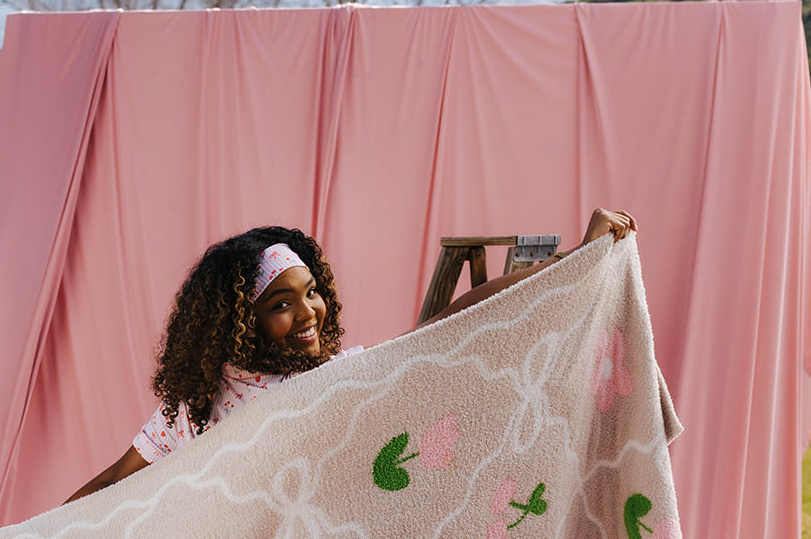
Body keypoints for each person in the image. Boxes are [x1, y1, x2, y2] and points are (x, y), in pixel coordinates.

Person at [67, 210, 636, 502]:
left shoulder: (338, 380)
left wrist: (575, 264)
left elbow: (451, 322)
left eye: (312, 292)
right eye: (281, 304)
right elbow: (118, 477)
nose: (308, 312)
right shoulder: (197, 405)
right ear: (240, 323)